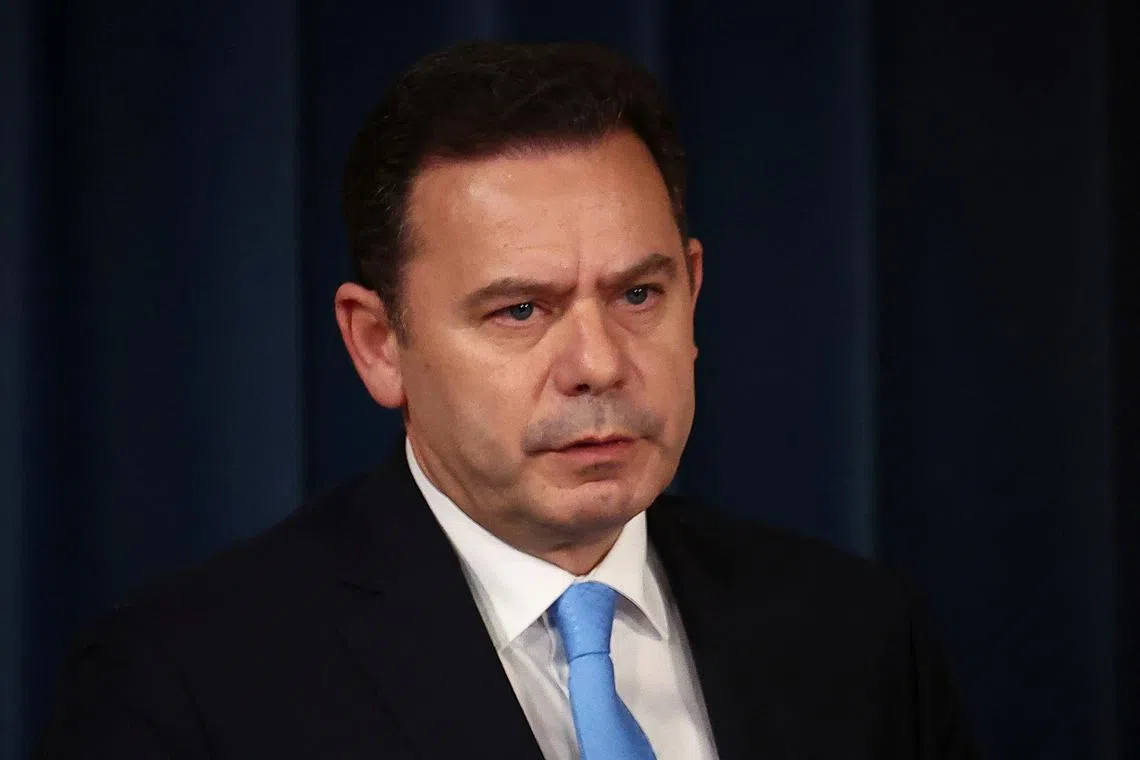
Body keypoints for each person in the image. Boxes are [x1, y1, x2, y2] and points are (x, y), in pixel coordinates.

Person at [37, 40, 978, 759]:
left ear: (694, 293)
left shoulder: (859, 636)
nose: (599, 364)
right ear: (379, 344)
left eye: (638, 295)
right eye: (521, 309)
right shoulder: (181, 690)